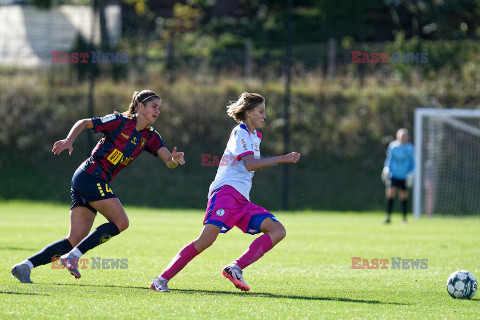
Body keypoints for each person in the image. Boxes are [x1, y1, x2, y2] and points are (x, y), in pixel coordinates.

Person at [11, 90, 185, 283]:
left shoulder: (150, 136)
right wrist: (69, 140)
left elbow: (168, 160)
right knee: (121, 222)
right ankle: (72, 257)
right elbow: (84, 123)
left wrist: (174, 160)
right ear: (140, 106)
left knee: (74, 239)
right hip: (90, 176)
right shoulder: (120, 121)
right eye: (154, 106)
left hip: (89, 180)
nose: (158, 111)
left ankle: (24, 266)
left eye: (159, 108)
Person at [150, 92, 301, 293]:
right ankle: (160, 280)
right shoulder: (241, 132)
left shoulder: (256, 136)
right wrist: (282, 158)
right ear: (248, 113)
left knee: (278, 230)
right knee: (205, 240)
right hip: (225, 194)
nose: (265, 116)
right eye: (261, 111)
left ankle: (235, 268)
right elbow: (249, 165)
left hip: (242, 200)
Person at [381, 128, 415, 224]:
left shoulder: (409, 148)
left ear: (407, 137)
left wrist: (411, 173)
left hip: (405, 175)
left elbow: (413, 162)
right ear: (397, 136)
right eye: (401, 135)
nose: (403, 137)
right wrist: (386, 168)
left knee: (403, 195)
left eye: (404, 135)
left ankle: (404, 218)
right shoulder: (393, 146)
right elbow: (389, 159)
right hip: (394, 174)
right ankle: (388, 216)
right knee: (390, 192)